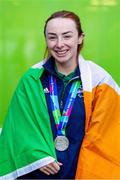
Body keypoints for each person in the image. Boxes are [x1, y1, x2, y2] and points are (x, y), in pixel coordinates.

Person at [0, 10, 120, 179]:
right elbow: (17, 129)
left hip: (81, 173)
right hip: (38, 175)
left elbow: (109, 134)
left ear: (80, 38)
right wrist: (37, 156)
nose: (59, 44)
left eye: (67, 36)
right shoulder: (32, 79)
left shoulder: (99, 81)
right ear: (46, 40)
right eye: (52, 37)